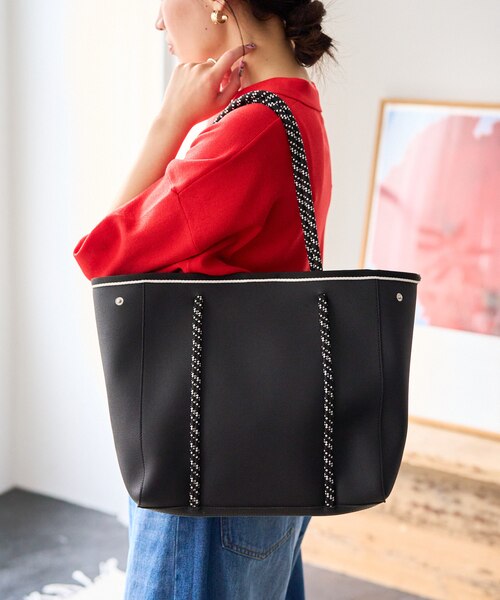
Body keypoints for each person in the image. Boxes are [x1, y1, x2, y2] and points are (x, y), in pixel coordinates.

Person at [72, 0, 337, 598]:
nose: (158, 21)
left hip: (207, 461)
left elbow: (103, 258)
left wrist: (169, 123)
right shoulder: (294, 108)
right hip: (272, 449)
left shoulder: (249, 130)